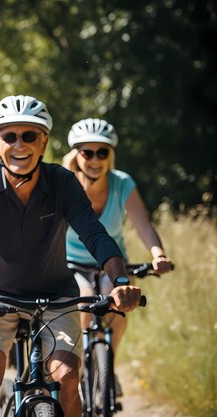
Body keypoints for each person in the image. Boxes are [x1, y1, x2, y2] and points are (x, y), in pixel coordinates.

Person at [0, 95, 143, 417]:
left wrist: (120, 280)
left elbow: (94, 234)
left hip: (55, 298)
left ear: (44, 142)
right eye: (9, 136)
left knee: (67, 375)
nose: (19, 144)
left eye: (29, 136)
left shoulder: (62, 182)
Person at [63, 117, 173, 394]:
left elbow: (143, 225)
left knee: (118, 298)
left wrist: (158, 254)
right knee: (85, 295)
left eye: (102, 152)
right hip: (72, 263)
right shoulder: (64, 183)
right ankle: (78, 368)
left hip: (112, 263)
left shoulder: (121, 182)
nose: (95, 159)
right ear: (77, 155)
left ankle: (107, 365)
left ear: (110, 155)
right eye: (87, 152)